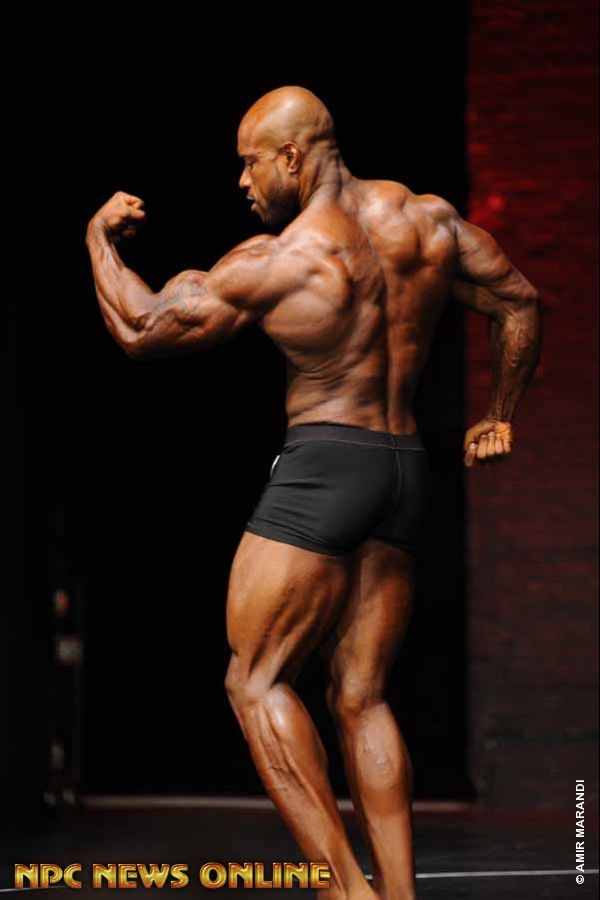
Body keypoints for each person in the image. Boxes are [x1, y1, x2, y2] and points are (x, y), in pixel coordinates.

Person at [85, 86, 541, 900]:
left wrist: (96, 237)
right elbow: (518, 301)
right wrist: (498, 415)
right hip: (404, 470)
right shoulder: (427, 222)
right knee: (362, 696)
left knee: (254, 680)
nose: (243, 182)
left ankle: (344, 893)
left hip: (327, 465)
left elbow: (140, 327)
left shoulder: (284, 259)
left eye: (250, 163)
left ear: (292, 157)